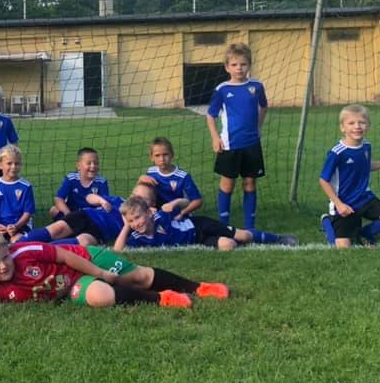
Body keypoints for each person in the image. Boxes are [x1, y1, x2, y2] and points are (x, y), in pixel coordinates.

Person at [0, 231, 230, 311]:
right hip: (73, 284)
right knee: (102, 297)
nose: (3, 265)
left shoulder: (24, 251)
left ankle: (199, 287)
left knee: (138, 276)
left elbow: (65, 256)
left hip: (84, 259)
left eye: (5, 257)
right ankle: (162, 298)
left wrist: (100, 271)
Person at [319, 104, 380, 247]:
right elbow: (323, 180)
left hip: (365, 199)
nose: (357, 126)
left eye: (362, 122)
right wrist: (339, 204)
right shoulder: (337, 153)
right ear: (342, 127)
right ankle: (327, 222)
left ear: (368, 126)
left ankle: (364, 234)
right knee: (343, 247)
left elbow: (366, 166)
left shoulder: (366, 146)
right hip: (345, 204)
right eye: (351, 123)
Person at [206, 42, 267, 230]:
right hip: (229, 146)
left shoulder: (256, 86)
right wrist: (215, 138)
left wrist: (258, 127)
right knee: (227, 185)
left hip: (252, 144)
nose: (239, 68)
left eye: (243, 64)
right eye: (234, 64)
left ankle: (250, 227)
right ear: (227, 67)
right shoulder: (222, 90)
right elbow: (210, 115)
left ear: (249, 65)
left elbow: (263, 107)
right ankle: (223, 226)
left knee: (250, 183)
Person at [115, 195, 296, 250]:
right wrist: (126, 227)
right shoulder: (137, 237)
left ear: (148, 213)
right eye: (131, 221)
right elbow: (118, 250)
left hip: (200, 225)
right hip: (198, 240)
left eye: (138, 217)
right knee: (228, 246)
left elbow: (186, 202)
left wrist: (175, 203)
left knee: (244, 235)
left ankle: (277, 238)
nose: (136, 223)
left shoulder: (160, 217)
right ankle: (234, 240)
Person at [137, 137, 203, 219]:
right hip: (157, 211)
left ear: (172, 155)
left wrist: (182, 213)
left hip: (177, 212)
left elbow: (198, 201)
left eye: (165, 154)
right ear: (151, 157)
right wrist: (140, 180)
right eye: (157, 155)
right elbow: (143, 192)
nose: (162, 159)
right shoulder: (151, 172)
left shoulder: (183, 177)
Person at [0, 144, 35, 239]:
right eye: (9, 163)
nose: (13, 167)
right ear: (0, 165)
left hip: (20, 224)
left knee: (16, 240)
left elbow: (28, 213)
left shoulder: (26, 186)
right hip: (0, 225)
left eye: (17, 163)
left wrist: (16, 226)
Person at [49, 147, 110, 220]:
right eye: (89, 163)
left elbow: (104, 203)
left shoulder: (101, 182)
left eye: (96, 163)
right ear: (78, 166)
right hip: (72, 212)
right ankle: (68, 223)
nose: (93, 166)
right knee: (54, 210)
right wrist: (68, 214)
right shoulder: (71, 178)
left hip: (91, 215)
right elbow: (59, 199)